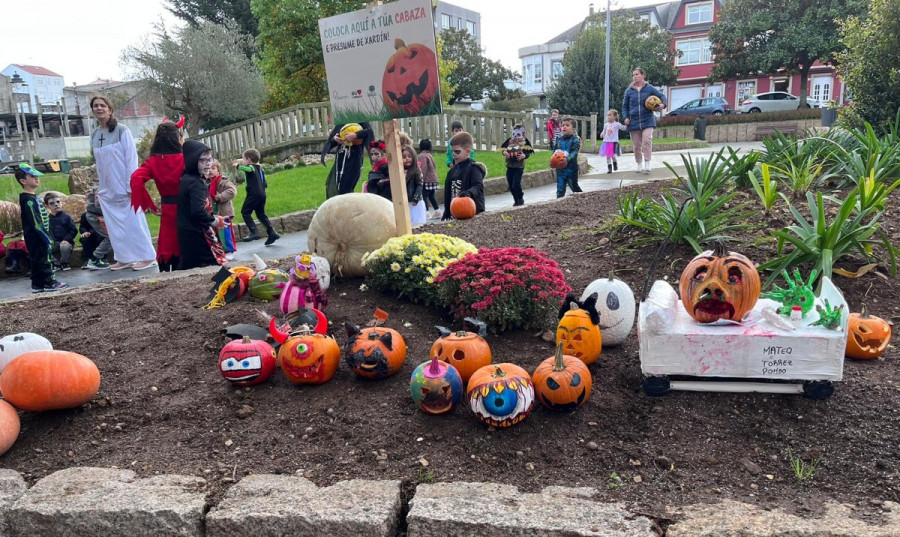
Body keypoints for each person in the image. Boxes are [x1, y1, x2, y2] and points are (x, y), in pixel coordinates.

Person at [89, 95, 157, 271]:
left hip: (125, 187)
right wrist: (100, 188)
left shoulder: (121, 130)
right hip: (107, 189)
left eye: (102, 105)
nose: (99, 108)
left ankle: (148, 256)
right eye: (95, 106)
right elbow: (100, 164)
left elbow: (131, 159)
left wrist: (131, 185)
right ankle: (124, 257)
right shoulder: (95, 134)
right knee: (115, 226)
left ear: (110, 110)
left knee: (134, 221)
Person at [131, 119, 185, 271]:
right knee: (186, 239)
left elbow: (135, 179)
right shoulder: (185, 158)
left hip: (167, 208)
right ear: (177, 138)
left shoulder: (153, 161)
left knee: (169, 242)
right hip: (186, 207)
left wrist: (150, 204)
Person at [14, 164, 68, 293]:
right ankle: (50, 282)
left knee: (37, 258)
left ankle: (38, 284)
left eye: (36, 176)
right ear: (23, 181)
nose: (36, 178)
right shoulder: (28, 200)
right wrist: (46, 237)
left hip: (36, 236)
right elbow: (36, 222)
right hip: (37, 236)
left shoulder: (32, 197)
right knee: (44, 259)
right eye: (32, 176)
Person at [177, 141, 226, 270]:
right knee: (215, 266)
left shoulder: (187, 178)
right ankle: (224, 289)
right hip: (198, 234)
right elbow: (198, 211)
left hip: (187, 232)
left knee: (190, 267)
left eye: (210, 159)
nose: (208, 163)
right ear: (193, 161)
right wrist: (214, 221)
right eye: (202, 160)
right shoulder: (196, 183)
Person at [622, 67, 667, 174]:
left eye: (637, 74)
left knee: (647, 141)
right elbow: (625, 107)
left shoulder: (649, 88)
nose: (635, 77)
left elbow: (661, 96)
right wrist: (626, 118)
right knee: (637, 145)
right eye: (633, 75)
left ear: (643, 75)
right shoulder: (629, 91)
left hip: (648, 120)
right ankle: (639, 164)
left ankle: (647, 163)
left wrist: (663, 104)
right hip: (634, 122)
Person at [233, 148, 279, 246]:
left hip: (253, 194)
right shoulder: (260, 170)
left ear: (248, 160)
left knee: (245, 212)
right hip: (262, 194)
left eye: (244, 159)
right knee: (261, 214)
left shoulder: (251, 167)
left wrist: (238, 166)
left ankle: (254, 232)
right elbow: (265, 184)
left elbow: (248, 169)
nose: (243, 161)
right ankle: (272, 232)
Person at [321, 122, 373, 197]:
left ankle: (348, 206)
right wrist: (335, 139)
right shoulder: (342, 122)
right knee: (337, 186)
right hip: (340, 160)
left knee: (346, 188)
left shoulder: (362, 121)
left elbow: (369, 132)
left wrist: (355, 135)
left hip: (353, 160)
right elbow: (332, 141)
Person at [442, 131, 485, 220]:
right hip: (455, 212)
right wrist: (447, 210)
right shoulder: (452, 171)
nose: (453, 154)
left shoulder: (474, 168)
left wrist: (468, 193)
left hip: (473, 211)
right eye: (452, 151)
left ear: (468, 151)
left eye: (457, 151)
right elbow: (447, 192)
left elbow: (478, 186)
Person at [208, 159, 238, 260]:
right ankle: (221, 250)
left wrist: (220, 196)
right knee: (216, 233)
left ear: (218, 170)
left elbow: (232, 191)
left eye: (213, 168)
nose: (210, 171)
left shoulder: (223, 181)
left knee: (226, 232)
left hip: (224, 211)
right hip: (214, 212)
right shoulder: (208, 183)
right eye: (209, 168)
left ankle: (229, 250)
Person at [500, 124, 533, 206]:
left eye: (518, 134)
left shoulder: (524, 143)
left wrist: (524, 155)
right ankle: (515, 199)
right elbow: (503, 150)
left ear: (523, 134)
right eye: (514, 134)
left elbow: (528, 153)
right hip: (509, 166)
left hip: (519, 167)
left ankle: (520, 197)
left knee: (515, 184)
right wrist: (504, 153)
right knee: (510, 184)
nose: (516, 137)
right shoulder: (509, 141)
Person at [43, 193, 77, 271]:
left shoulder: (67, 217)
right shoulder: (47, 219)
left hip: (67, 242)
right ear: (47, 206)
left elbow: (73, 230)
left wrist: (66, 239)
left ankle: (64, 263)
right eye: (52, 203)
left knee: (64, 247)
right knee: (43, 249)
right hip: (54, 243)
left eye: (58, 202)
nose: (56, 205)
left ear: (61, 203)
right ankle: (55, 264)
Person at [81, 187, 112, 270]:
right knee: (111, 236)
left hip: (100, 214)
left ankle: (125, 258)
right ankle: (95, 259)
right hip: (96, 216)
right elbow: (98, 203)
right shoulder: (100, 188)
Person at [555, 117, 583, 198]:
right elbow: (555, 150)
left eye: (567, 125)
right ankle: (558, 204)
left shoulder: (575, 140)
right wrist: (553, 161)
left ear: (573, 129)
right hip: (560, 169)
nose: (564, 127)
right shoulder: (559, 139)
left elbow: (574, 152)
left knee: (574, 187)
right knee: (560, 189)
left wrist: (567, 159)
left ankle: (583, 199)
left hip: (571, 169)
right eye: (563, 125)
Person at [402, 145, 426, 225]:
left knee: (416, 224)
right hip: (404, 202)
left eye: (409, 156)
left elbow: (420, 184)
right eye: (404, 157)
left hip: (415, 203)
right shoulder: (399, 171)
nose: (407, 159)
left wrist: (416, 197)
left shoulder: (416, 170)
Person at [417, 139, 440, 219]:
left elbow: (423, 168)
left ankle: (426, 213)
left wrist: (420, 178)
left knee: (424, 196)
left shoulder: (422, 156)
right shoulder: (429, 155)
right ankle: (438, 211)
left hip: (427, 180)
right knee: (431, 196)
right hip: (434, 179)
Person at [600, 109, 627, 174]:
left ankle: (615, 162)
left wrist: (627, 125)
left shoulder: (617, 124)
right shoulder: (606, 124)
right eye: (607, 115)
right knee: (608, 155)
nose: (608, 116)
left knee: (612, 155)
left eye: (610, 115)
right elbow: (604, 131)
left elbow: (624, 128)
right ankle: (609, 168)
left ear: (614, 116)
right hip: (606, 141)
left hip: (613, 141)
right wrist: (602, 134)